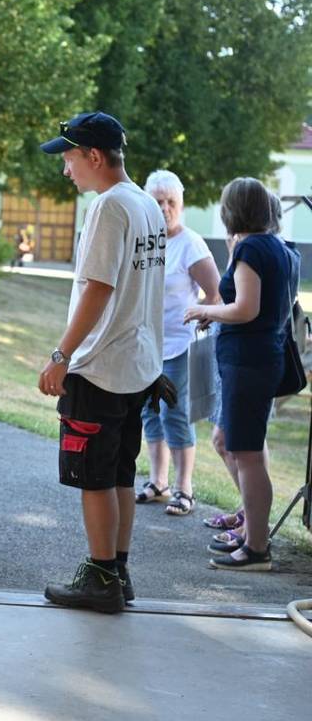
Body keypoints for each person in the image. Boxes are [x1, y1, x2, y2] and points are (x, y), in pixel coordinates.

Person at [37, 111, 167, 614]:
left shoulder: (109, 208)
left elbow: (99, 288)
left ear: (94, 156)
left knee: (94, 477)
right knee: (120, 475)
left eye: (69, 158)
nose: (67, 169)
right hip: (135, 366)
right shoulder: (147, 206)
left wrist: (61, 355)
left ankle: (100, 578)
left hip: (99, 366)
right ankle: (117, 569)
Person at [184, 179, 297, 571]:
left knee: (246, 453)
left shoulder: (251, 247)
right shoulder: (280, 248)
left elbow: (245, 309)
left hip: (249, 362)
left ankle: (257, 549)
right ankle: (253, 533)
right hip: (258, 360)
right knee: (232, 442)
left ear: (232, 209)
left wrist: (205, 311)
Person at [134, 170, 221, 516]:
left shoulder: (191, 244)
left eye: (172, 202)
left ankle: (185, 488)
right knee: (149, 411)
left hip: (179, 345)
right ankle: (158, 482)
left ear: (181, 206)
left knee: (175, 413)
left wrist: (204, 313)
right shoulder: (143, 240)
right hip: (145, 343)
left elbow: (216, 295)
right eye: (159, 202)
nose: (166, 208)